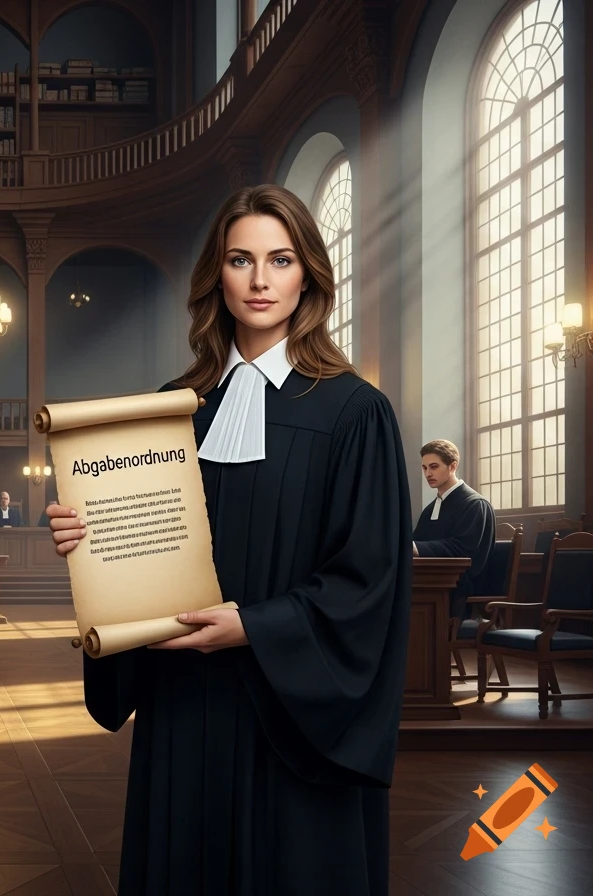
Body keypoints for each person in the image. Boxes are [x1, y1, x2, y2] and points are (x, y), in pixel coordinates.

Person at [47, 184, 410, 895]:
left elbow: (369, 578)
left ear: (308, 275)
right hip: (182, 698)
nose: (260, 280)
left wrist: (255, 627)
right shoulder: (169, 410)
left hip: (294, 712)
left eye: (281, 259)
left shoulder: (354, 411)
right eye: (241, 260)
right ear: (218, 275)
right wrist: (88, 539)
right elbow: (138, 550)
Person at [412, 439, 495, 621]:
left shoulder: (475, 504)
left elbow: (464, 550)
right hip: (433, 582)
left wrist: (416, 548)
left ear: (453, 466)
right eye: (425, 468)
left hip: (462, 589)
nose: (428, 473)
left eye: (434, 467)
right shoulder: (430, 509)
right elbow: (416, 541)